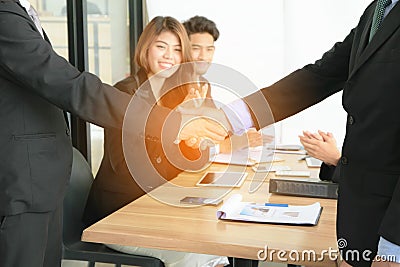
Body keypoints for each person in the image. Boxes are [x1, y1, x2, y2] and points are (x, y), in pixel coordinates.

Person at [180, 1, 400, 266]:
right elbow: (321, 75)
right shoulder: (377, 9)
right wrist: (229, 118)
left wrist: (394, 246)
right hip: (361, 221)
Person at [0, 1, 138, 266]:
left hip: (39, 185)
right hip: (21, 186)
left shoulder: (20, 13)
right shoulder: (5, 17)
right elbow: (69, 86)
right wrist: (155, 119)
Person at [83, 16, 229, 267]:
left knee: (216, 245)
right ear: (146, 48)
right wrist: (179, 121)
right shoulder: (125, 93)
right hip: (120, 212)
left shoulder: (181, 92)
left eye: (177, 50)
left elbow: (196, 160)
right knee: (192, 254)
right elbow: (128, 165)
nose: (169, 56)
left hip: (159, 207)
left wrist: (195, 133)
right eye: (161, 46)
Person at [182, 15, 268, 153]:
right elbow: (182, 143)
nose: (203, 56)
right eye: (196, 48)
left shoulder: (204, 83)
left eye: (209, 49)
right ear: (184, 49)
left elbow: (215, 124)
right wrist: (229, 145)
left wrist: (241, 136)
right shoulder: (174, 87)